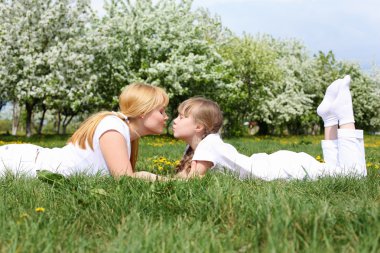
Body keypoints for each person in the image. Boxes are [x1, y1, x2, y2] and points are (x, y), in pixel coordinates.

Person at [172, 76, 367, 180]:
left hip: (281, 170)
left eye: (181, 116)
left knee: (353, 176)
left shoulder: (209, 144)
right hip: (276, 165)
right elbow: (181, 178)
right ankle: (331, 118)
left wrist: (147, 177)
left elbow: (189, 181)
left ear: (199, 126)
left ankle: (344, 113)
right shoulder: (198, 147)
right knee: (335, 172)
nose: (175, 120)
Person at [0, 83, 169, 180]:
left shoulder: (120, 129)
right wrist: (172, 181)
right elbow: (124, 178)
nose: (166, 117)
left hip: (26, 160)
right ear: (143, 112)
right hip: (20, 163)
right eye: (161, 111)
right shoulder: (114, 128)